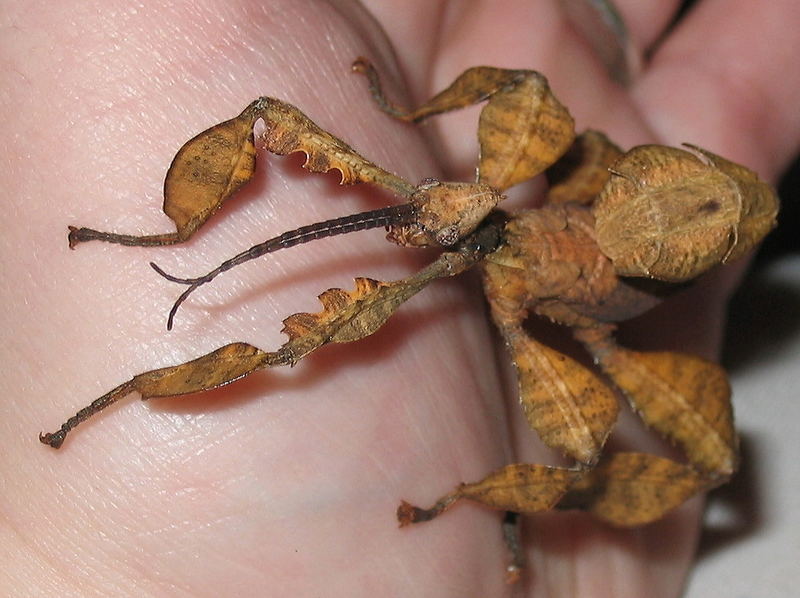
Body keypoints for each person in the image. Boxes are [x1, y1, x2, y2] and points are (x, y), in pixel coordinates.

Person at [2, 1, 798, 596]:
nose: (422, 222)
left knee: (617, 451)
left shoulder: (545, 283)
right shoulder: (465, 196)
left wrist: (490, 502)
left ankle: (489, 505)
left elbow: (519, 86)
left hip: (621, 276)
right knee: (270, 121)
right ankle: (171, 244)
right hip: (616, 201)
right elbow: (278, 116)